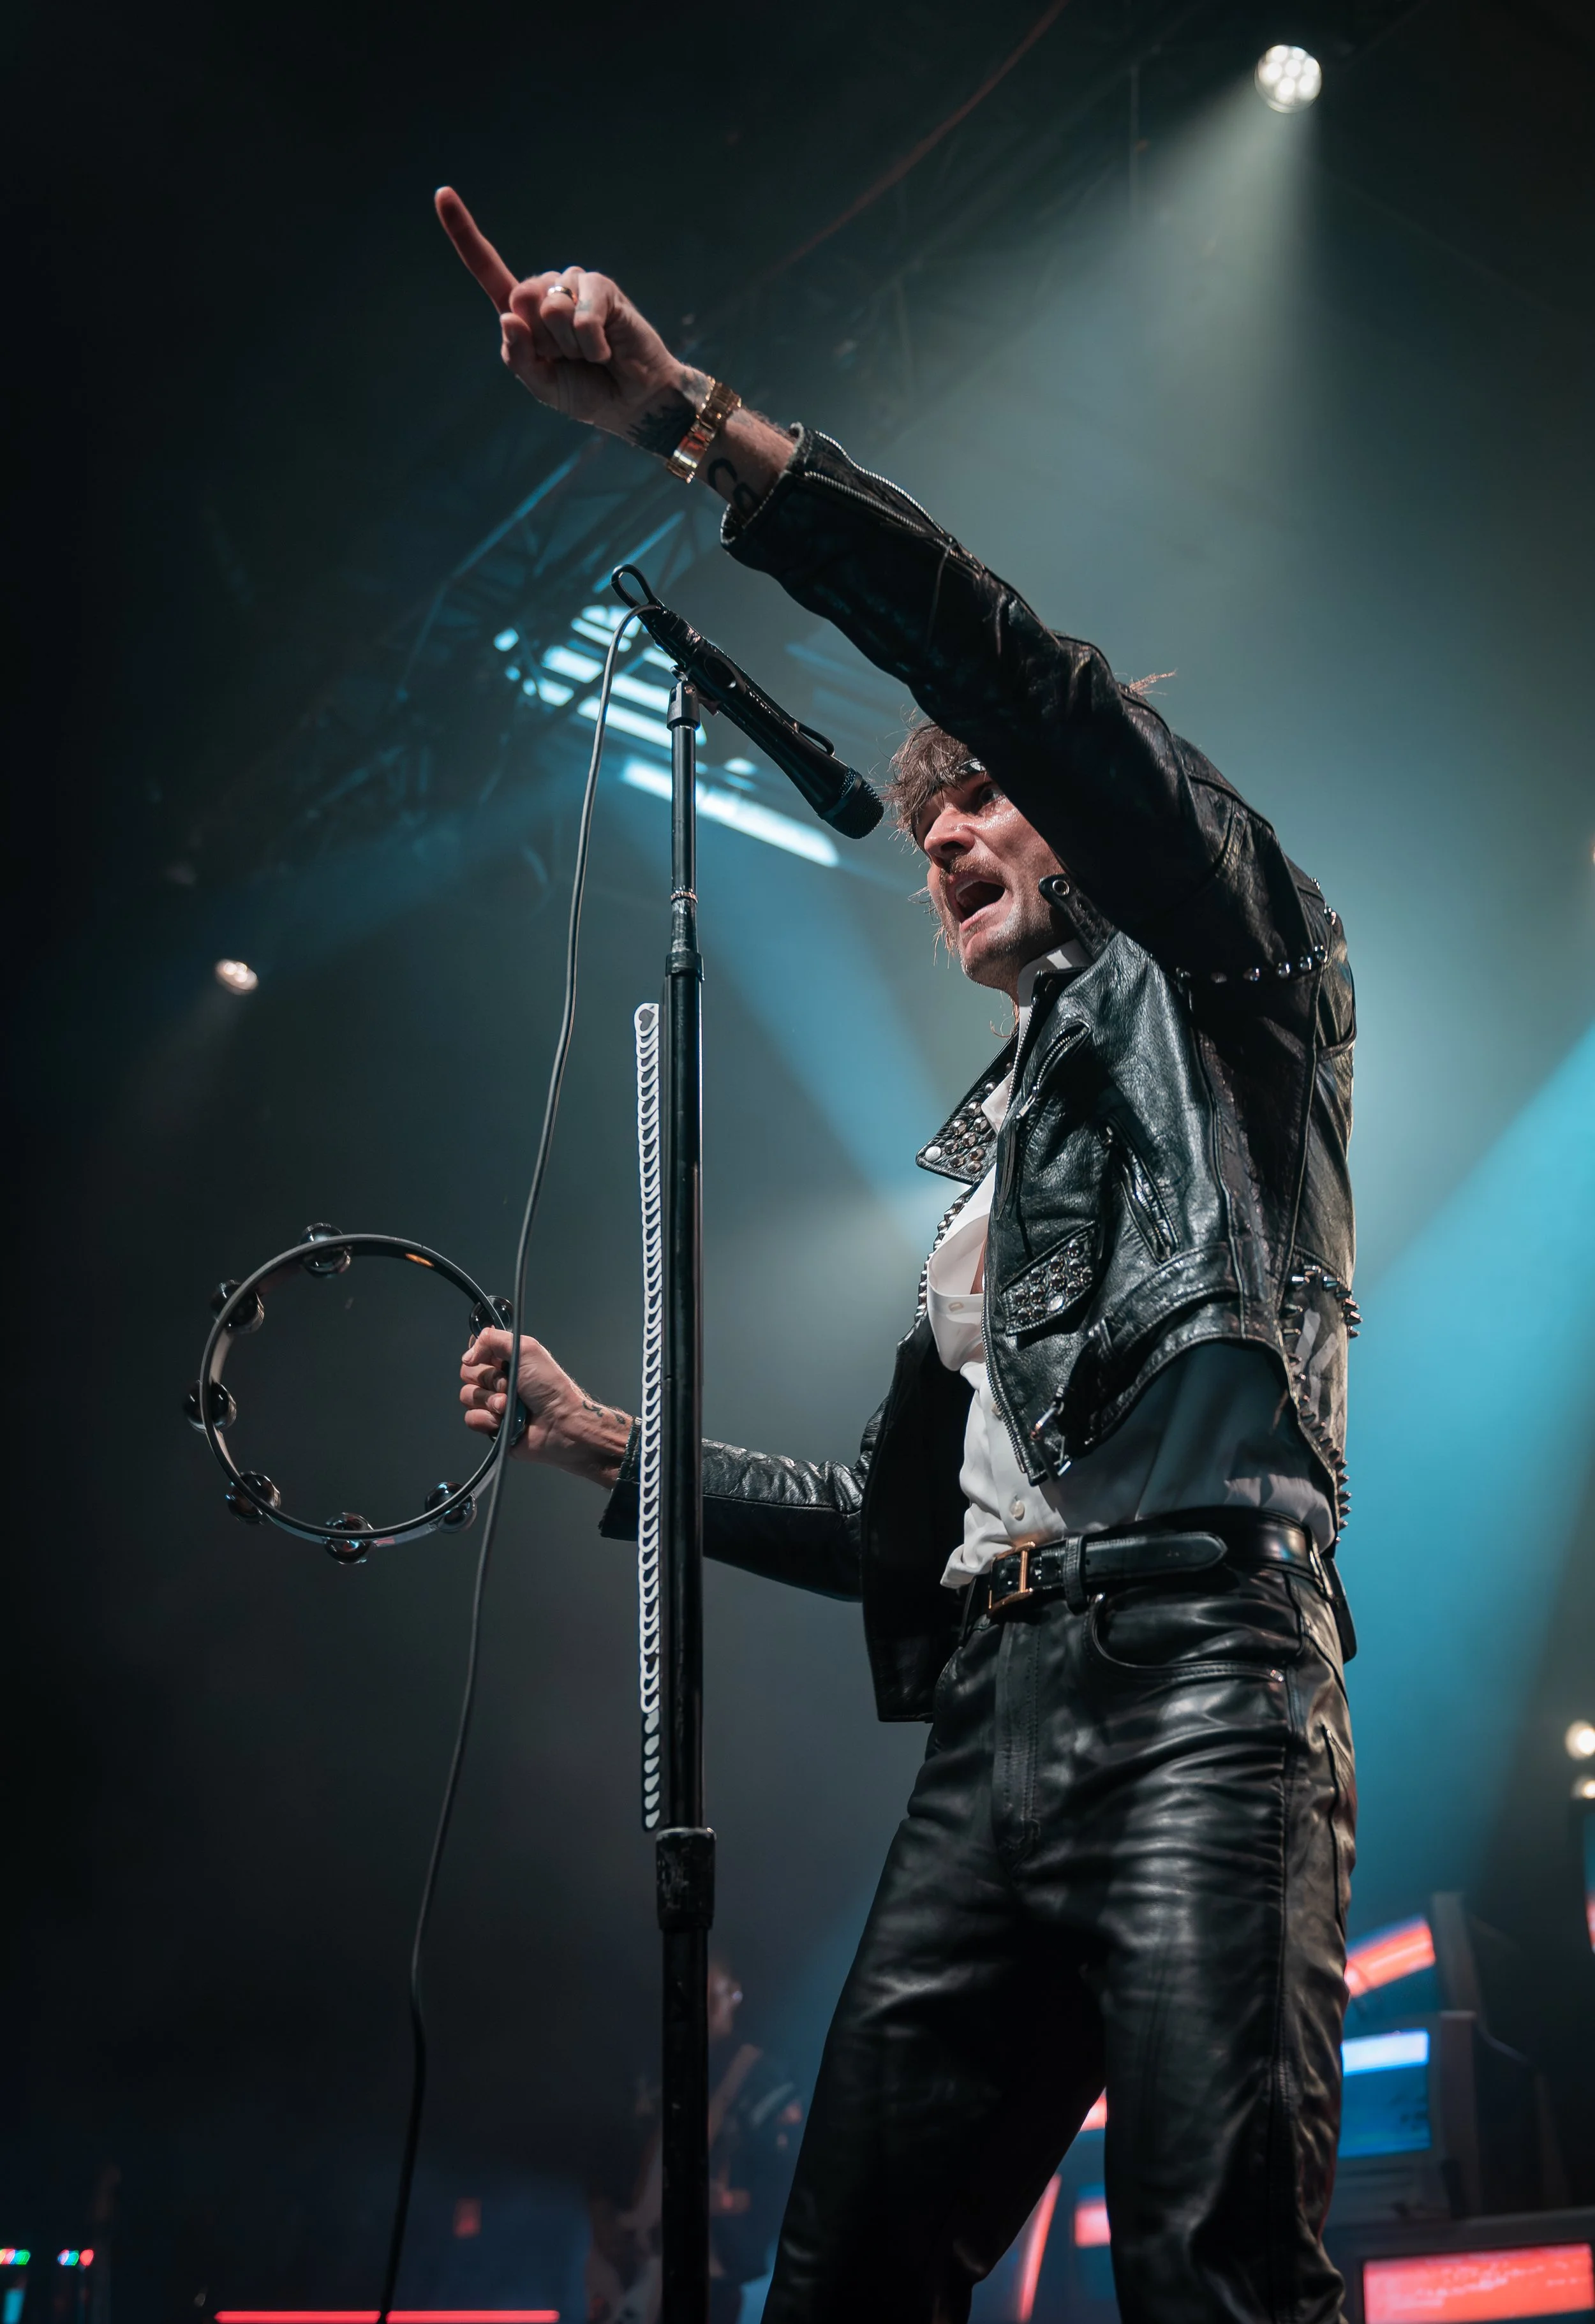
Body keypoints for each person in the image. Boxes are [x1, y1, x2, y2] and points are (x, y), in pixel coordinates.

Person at [442, 187, 1360, 2324]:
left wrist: (690, 422)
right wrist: (607, 1446)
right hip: (991, 1726)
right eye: (927, 816)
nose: (942, 830)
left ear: (1085, 815)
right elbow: (896, 1516)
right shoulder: (993, 1147)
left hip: (1201, 1678)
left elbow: (1018, 673)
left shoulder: (1239, 972)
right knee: (845, 2274)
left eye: (985, 800)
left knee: (1218, 2278)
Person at [585, 1962, 804, 2324]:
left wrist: (729, 2202)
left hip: (710, 2274)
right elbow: (608, 2152)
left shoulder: (761, 2080)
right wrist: (604, 2218)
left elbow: (787, 2182)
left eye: (710, 1994)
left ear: (734, 1994)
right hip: (632, 2265)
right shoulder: (652, 2070)